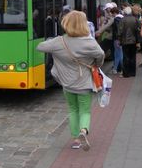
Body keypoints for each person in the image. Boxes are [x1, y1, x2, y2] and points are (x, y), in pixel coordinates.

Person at [37, 11, 104, 151]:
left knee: (72, 110)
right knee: (85, 111)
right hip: (84, 83)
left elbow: (40, 47)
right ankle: (83, 131)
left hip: (67, 84)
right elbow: (100, 55)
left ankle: (75, 140)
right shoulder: (89, 42)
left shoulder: (59, 41)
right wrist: (96, 64)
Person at [118, 6, 139, 77]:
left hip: (125, 41)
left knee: (126, 57)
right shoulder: (135, 19)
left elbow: (120, 31)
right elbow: (137, 30)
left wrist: (119, 40)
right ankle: (133, 72)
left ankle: (126, 73)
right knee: (133, 56)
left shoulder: (122, 20)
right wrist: (138, 41)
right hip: (133, 41)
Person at [110, 7, 123, 75]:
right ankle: (115, 68)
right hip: (121, 39)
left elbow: (118, 30)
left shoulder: (116, 19)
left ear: (114, 13)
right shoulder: (123, 17)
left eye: (112, 13)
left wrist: (118, 38)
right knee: (118, 54)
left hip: (117, 39)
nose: (111, 15)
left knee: (119, 54)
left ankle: (121, 69)